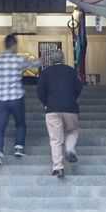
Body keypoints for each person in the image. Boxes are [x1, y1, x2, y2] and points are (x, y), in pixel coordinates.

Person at [0, 33, 37, 166]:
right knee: (20, 124)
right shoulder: (18, 59)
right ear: (14, 45)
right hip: (16, 98)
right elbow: (33, 65)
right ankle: (19, 148)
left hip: (0, 99)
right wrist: (42, 60)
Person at [36, 47, 83, 179]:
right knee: (72, 130)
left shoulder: (45, 73)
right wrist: (72, 98)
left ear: (51, 60)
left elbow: (40, 91)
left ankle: (58, 167)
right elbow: (79, 87)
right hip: (70, 107)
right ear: (63, 59)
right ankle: (70, 148)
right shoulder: (71, 71)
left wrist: (45, 103)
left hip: (52, 109)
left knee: (55, 139)